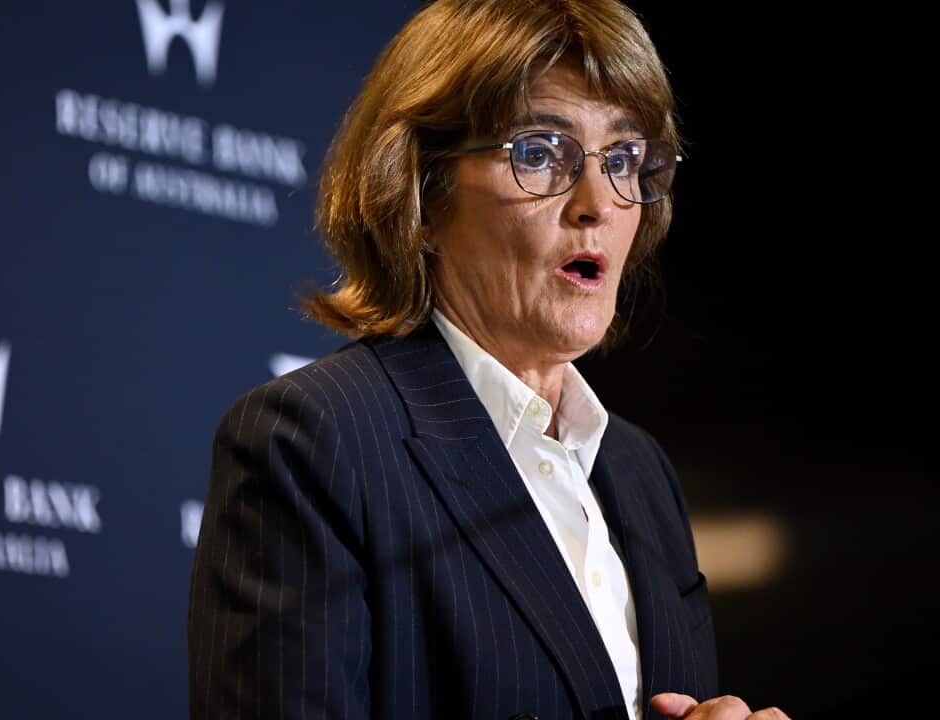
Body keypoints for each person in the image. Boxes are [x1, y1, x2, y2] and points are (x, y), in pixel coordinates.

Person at [188, 1, 789, 718]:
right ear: (422, 194)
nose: (597, 202)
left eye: (624, 159)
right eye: (539, 153)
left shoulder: (641, 473)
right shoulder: (315, 443)